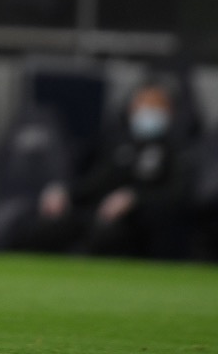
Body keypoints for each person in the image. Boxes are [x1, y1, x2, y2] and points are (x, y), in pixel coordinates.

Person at [26, 80, 195, 259]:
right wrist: (64, 191)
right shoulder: (115, 142)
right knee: (48, 228)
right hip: (95, 212)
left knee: (107, 236)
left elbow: (177, 194)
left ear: (170, 112)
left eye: (155, 106)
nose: (148, 112)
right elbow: (92, 180)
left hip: (137, 222)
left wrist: (135, 199)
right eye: (143, 105)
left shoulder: (177, 149)